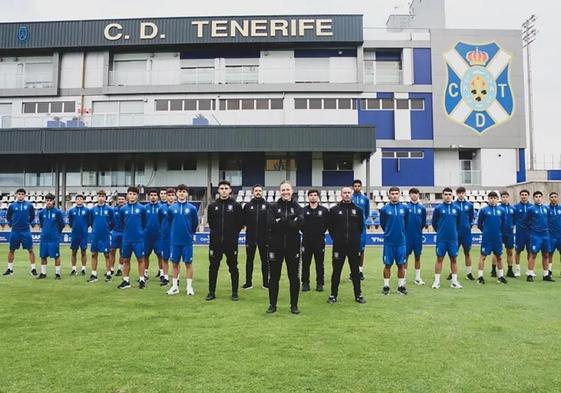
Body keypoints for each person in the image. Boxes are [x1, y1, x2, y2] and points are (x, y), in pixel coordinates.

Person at [266, 181, 303, 314]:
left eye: (288, 190)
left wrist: (280, 220)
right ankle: (272, 305)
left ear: (292, 191)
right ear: (279, 191)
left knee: (293, 277)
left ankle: (294, 306)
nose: (285, 192)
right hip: (275, 247)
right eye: (283, 190)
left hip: (293, 247)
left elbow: (299, 224)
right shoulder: (273, 207)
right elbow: (270, 223)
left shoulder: (298, 207)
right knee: (274, 277)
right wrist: (290, 220)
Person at [327, 186, 366, 304]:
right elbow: (330, 227)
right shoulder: (334, 210)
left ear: (352, 194)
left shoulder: (358, 210)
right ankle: (333, 295)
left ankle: (358, 295)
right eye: (345, 193)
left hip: (353, 247)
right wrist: (337, 238)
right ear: (341, 194)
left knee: (355, 271)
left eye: (349, 192)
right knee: (336, 271)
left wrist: (355, 239)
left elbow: (360, 227)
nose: (347, 194)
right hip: (339, 246)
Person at [206, 180, 243, 301]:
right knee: (213, 267)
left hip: (231, 243)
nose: (224, 190)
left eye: (226, 188)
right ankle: (211, 292)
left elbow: (239, 224)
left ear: (230, 190)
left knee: (233, 267)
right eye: (221, 188)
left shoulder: (236, 206)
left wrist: (231, 235)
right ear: (218, 190)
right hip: (215, 243)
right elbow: (211, 223)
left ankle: (235, 293)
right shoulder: (212, 206)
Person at [166, 184, 199, 295]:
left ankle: (189, 287)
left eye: (184, 191)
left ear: (187, 194)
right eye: (179, 191)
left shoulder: (192, 208)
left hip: (187, 241)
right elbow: (170, 222)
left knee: (188, 264)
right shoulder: (171, 209)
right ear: (176, 193)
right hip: (175, 241)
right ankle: (175, 287)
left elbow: (195, 223)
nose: (181, 193)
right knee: (174, 264)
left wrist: (190, 233)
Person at [379, 186, 409, 295]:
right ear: (389, 195)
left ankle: (401, 286)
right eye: (392, 193)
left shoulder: (405, 209)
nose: (394, 195)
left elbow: (406, 222)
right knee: (387, 265)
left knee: (401, 265)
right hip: (389, 243)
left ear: (399, 194)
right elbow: (383, 224)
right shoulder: (384, 209)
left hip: (401, 243)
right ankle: (386, 286)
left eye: (396, 193)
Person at [116, 187, 148, 289]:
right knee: (125, 260)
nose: (132, 196)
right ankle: (126, 281)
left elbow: (144, 223)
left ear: (137, 196)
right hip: (126, 239)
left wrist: (139, 232)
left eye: (134, 194)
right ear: (127, 195)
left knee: (141, 259)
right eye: (130, 194)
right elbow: (121, 223)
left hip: (138, 239)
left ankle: (142, 280)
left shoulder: (142, 209)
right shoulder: (123, 209)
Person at [431, 187, 463, 289]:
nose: (448, 196)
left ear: (452, 195)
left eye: (449, 194)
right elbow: (434, 223)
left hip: (453, 239)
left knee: (454, 259)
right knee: (439, 258)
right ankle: (436, 282)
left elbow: (458, 224)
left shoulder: (457, 209)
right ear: (442, 195)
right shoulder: (438, 209)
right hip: (441, 239)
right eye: (446, 194)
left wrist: (453, 233)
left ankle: (454, 282)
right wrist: (440, 231)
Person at [3, 188, 37, 276]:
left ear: (25, 195)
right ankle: (10, 269)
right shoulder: (12, 206)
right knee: (11, 250)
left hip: (26, 231)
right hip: (15, 231)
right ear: (16, 195)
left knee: (30, 249)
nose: (20, 195)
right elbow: (8, 217)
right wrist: (12, 224)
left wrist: (28, 223)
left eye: (22, 194)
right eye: (19, 194)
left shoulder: (29, 205)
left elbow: (32, 216)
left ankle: (33, 269)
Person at [242, 184, 270, 290]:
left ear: (262, 192)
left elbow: (271, 221)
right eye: (256, 190)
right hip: (251, 237)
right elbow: (243, 221)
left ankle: (266, 283)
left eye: (259, 190)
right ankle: (248, 283)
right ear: (252, 192)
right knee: (249, 260)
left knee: (265, 261)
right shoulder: (248, 206)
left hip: (265, 238)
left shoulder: (268, 205)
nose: (258, 192)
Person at [476, 192, 508, 284]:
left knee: (499, 257)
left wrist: (498, 233)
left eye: (494, 198)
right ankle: (480, 277)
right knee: (483, 256)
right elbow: (479, 224)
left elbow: (503, 224)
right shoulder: (484, 210)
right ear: (488, 199)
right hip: (487, 238)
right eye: (491, 198)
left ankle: (501, 276)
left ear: (497, 199)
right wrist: (486, 232)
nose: (493, 199)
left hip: (497, 238)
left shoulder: (501, 210)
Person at [301, 189, 328, 292]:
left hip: (319, 241)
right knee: (305, 263)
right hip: (306, 241)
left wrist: (320, 233)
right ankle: (305, 283)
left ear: (318, 197)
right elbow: (301, 225)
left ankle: (320, 283)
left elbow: (326, 225)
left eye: (315, 195)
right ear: (308, 197)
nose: (313, 197)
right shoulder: (303, 211)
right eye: (311, 195)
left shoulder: (324, 211)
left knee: (319, 264)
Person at [88, 190, 114, 283]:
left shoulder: (110, 210)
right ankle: (94, 274)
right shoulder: (92, 210)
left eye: (103, 196)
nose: (101, 198)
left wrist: (107, 229)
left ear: (105, 198)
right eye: (99, 196)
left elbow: (113, 223)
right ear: (97, 197)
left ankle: (108, 274)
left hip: (105, 235)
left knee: (107, 254)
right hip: (95, 235)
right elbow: (90, 222)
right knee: (94, 254)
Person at [526, 191, 553, 282]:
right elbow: (527, 221)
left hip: (545, 235)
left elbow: (548, 220)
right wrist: (533, 230)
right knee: (533, 254)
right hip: (535, 236)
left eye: (539, 196)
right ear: (533, 198)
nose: (538, 198)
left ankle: (546, 275)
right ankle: (530, 274)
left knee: (546, 255)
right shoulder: (531, 209)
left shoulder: (546, 208)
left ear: (542, 198)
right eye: (536, 196)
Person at [37, 193, 64, 280]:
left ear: (53, 201)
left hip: (54, 238)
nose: (49, 202)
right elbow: (41, 224)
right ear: (45, 201)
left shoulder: (58, 212)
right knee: (43, 256)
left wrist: (56, 233)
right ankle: (43, 273)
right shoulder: (41, 212)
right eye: (47, 200)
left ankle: (57, 274)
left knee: (56, 256)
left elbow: (62, 224)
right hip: (44, 238)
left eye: (50, 200)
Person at [405, 188, 427, 285]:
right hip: (407, 237)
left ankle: (417, 278)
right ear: (410, 195)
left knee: (417, 256)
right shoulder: (405, 207)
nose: (414, 195)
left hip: (417, 236)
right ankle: (403, 278)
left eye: (416, 193)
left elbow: (423, 223)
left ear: (418, 195)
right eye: (412, 193)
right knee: (405, 257)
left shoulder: (422, 208)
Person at [452, 187, 475, 280]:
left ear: (465, 194)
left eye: (463, 193)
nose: (461, 194)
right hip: (455, 233)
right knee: (453, 254)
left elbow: (471, 218)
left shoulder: (469, 205)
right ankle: (452, 272)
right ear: (456, 194)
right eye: (459, 193)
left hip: (466, 234)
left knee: (467, 253)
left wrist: (468, 226)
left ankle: (469, 273)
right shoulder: (453, 205)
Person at [493, 191, 515, 277]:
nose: (505, 198)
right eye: (503, 197)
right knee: (496, 252)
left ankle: (510, 270)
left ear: (509, 197)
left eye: (506, 196)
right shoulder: (497, 208)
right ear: (501, 198)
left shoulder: (513, 209)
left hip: (509, 233)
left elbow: (514, 221)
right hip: (499, 233)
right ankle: (493, 270)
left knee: (510, 252)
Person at [158, 188, 176, 286]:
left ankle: (176, 278)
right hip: (165, 237)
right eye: (169, 195)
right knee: (164, 258)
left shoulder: (178, 207)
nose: (170, 197)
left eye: (172, 195)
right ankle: (165, 277)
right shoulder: (161, 208)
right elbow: (160, 221)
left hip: (175, 237)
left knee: (175, 259)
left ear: (175, 196)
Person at [352, 179, 370, 280]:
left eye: (359, 186)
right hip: (351, 227)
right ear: (353, 187)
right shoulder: (350, 197)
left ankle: (360, 271)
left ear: (361, 187)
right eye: (355, 186)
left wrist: (361, 221)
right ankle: (353, 272)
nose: (357, 187)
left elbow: (366, 213)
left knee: (362, 250)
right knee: (352, 250)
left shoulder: (365, 199)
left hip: (361, 228)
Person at [144, 189, 163, 280]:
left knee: (160, 254)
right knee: (145, 255)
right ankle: (145, 273)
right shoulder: (144, 208)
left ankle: (162, 273)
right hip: (147, 236)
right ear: (149, 196)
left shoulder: (161, 207)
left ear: (157, 196)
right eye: (151, 195)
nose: (153, 196)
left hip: (158, 236)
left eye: (155, 195)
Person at [68, 194, 89, 276]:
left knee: (83, 251)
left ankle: (83, 269)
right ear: (75, 200)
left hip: (83, 234)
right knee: (74, 252)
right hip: (75, 234)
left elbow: (89, 222)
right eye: (78, 199)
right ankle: (73, 269)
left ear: (83, 200)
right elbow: (70, 222)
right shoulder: (71, 211)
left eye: (81, 199)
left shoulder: (87, 210)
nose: (79, 200)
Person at [513, 189, 532, 278]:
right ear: (520, 196)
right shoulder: (516, 207)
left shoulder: (532, 207)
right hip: (520, 233)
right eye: (522, 195)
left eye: (525, 195)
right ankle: (517, 269)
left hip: (530, 233)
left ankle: (529, 270)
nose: (524, 196)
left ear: (528, 196)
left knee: (530, 252)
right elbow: (513, 219)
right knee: (518, 251)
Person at [110, 194, 126, 276]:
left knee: (122, 252)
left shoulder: (127, 209)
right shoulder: (114, 210)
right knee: (112, 250)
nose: (121, 201)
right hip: (115, 232)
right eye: (119, 199)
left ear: (125, 200)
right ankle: (111, 269)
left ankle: (120, 268)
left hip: (124, 233)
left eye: (122, 199)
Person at [548, 191, 561, 277]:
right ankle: (549, 271)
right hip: (550, 235)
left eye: (555, 197)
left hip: (560, 235)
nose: (554, 198)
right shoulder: (546, 209)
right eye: (552, 197)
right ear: (549, 198)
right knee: (550, 254)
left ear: (558, 198)